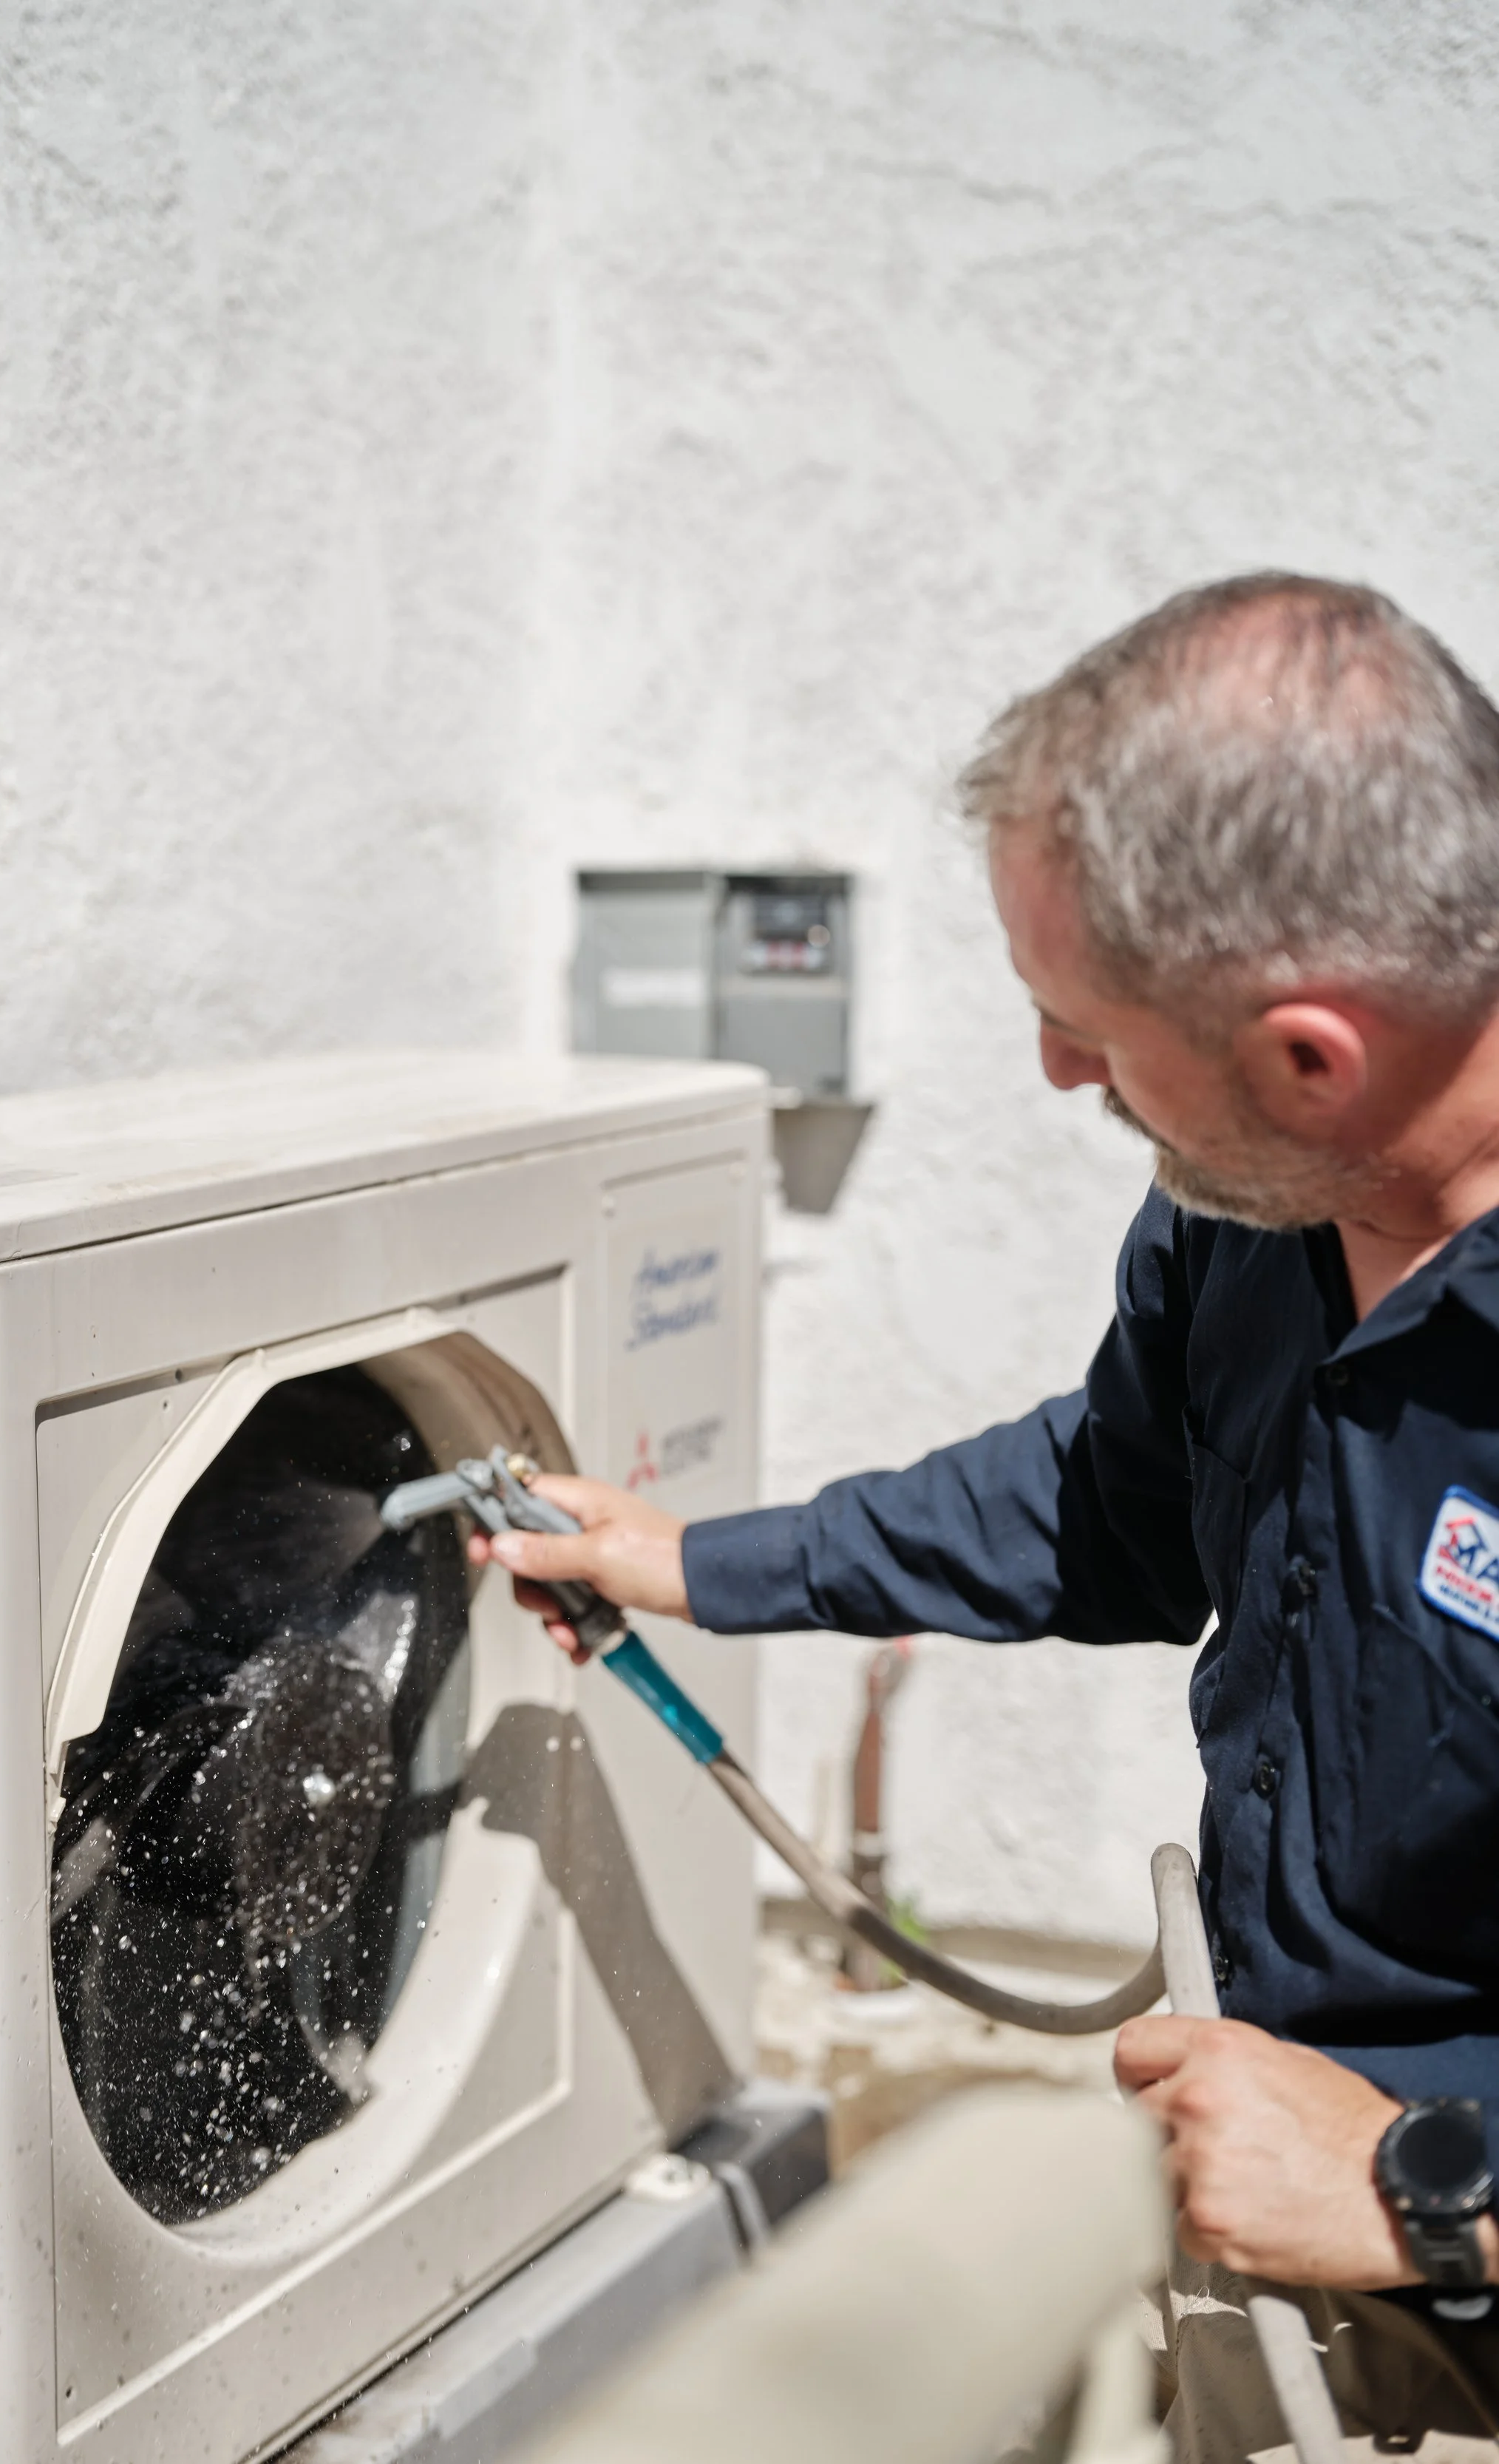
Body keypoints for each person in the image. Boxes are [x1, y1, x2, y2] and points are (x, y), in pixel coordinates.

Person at [479, 574, 1499, 2460]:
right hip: (1274, 2187)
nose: (1055, 1074)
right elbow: (1101, 1501)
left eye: (1087, 1029)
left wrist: (1429, 2185)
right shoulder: (1255, 1212)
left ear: (1307, 1053)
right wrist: (694, 1563)